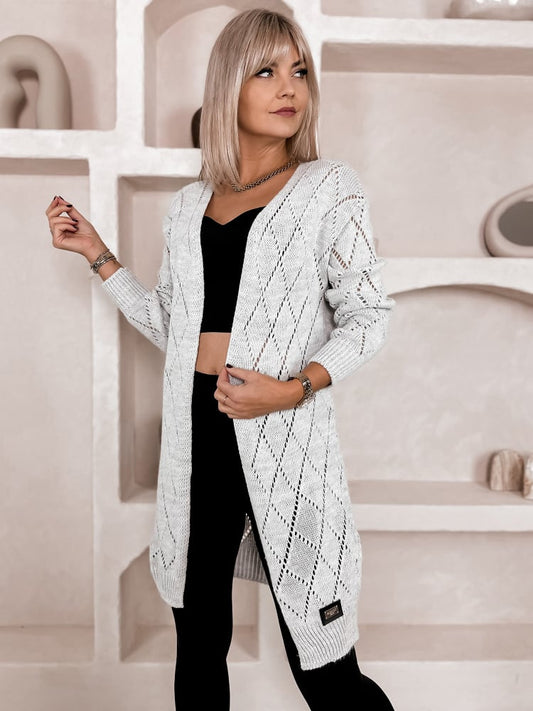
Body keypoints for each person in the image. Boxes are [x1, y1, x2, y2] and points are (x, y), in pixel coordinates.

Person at [45, 8, 396, 710]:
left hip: (283, 437)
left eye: (298, 70)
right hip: (197, 436)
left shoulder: (328, 188)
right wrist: (97, 253)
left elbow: (368, 317)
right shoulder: (188, 207)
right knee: (198, 638)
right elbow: (173, 329)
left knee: (323, 663)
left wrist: (290, 390)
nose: (288, 87)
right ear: (228, 85)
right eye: (265, 71)